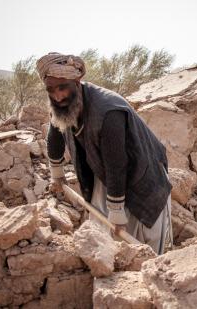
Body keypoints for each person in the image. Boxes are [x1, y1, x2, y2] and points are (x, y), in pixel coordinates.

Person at [37, 52, 172, 254]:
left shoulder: (108, 111)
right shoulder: (60, 104)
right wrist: (57, 175)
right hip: (106, 174)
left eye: (62, 87)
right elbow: (55, 133)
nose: (58, 95)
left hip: (144, 174)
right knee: (105, 242)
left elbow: (117, 163)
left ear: (76, 81)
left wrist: (116, 212)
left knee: (145, 246)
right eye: (51, 90)